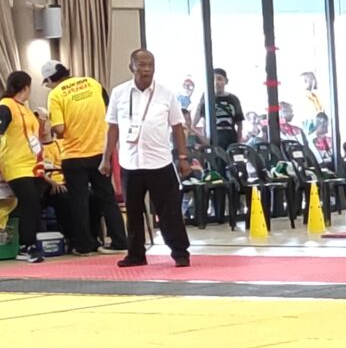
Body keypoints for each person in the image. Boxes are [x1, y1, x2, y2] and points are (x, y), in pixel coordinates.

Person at [103, 50, 192, 268]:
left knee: (169, 211)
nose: (146, 69)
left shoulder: (166, 94)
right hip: (130, 162)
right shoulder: (119, 93)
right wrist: (106, 158)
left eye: (150, 65)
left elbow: (177, 127)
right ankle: (135, 255)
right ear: (131, 67)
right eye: (141, 65)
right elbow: (113, 128)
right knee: (133, 212)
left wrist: (182, 157)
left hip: (159, 162)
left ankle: (180, 253)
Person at [43, 60, 127, 253]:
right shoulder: (93, 83)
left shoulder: (55, 94)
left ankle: (84, 245)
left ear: (50, 79)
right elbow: (109, 111)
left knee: (78, 201)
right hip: (100, 152)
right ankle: (120, 241)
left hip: (74, 156)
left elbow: (60, 129)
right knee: (107, 198)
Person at [1, 73, 67, 262]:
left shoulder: (26, 110)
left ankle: (30, 242)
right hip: (15, 164)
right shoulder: (6, 105)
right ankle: (25, 246)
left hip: (33, 165)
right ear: (26, 87)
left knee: (34, 204)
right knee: (29, 202)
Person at [192, 68, 243, 149]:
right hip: (212, 143)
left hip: (231, 142)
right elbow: (193, 124)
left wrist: (238, 143)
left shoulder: (233, 99)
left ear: (226, 81)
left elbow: (239, 124)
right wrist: (204, 141)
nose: (216, 82)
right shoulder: (206, 99)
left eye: (219, 79)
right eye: (213, 79)